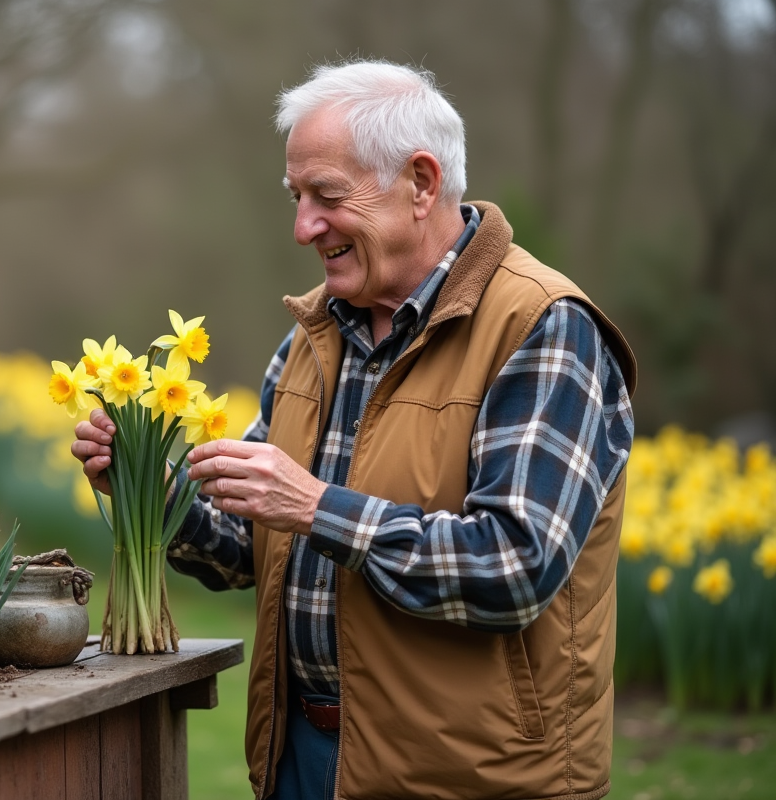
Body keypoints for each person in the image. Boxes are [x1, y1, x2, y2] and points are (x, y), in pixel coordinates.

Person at [72, 60, 636, 800]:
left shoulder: (543, 329)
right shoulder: (315, 334)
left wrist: (317, 507)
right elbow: (250, 550)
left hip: (469, 777)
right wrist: (155, 489)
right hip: (300, 755)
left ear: (422, 183)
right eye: (297, 196)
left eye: (326, 196)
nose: (303, 227)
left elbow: (514, 567)